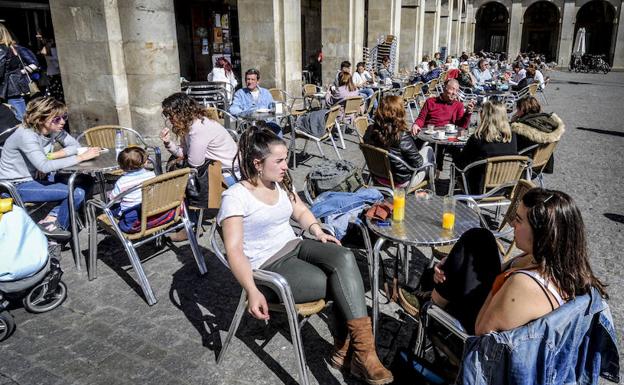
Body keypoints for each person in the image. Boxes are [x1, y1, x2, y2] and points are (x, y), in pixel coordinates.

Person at [217, 126, 394, 385]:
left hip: (295, 245)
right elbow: (233, 250)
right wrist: (252, 290)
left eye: (286, 159)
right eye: (278, 161)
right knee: (336, 282)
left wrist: (316, 230)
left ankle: (362, 353)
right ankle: (354, 354)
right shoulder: (235, 197)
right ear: (257, 163)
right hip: (267, 267)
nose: (285, 166)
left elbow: (300, 211)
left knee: (344, 256)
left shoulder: (278, 183)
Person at [428, 188, 608, 336]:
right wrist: (456, 263)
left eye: (519, 220)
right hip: (505, 311)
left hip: (475, 335)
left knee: (471, 242)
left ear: (543, 234)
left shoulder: (522, 283)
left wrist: (501, 282)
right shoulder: (554, 263)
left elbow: (481, 332)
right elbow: (497, 271)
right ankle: (435, 288)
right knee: (481, 238)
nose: (512, 223)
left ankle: (431, 307)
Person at [0, 97, 100, 237]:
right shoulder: (27, 135)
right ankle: (54, 235)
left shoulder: (52, 129)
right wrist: (81, 157)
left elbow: (75, 146)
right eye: (57, 119)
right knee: (76, 192)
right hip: (16, 185)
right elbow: (45, 166)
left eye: (63, 117)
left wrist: (50, 157)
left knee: (86, 180)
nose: (62, 122)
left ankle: (51, 220)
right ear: (40, 119)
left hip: (38, 176)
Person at [160, 92, 239, 185]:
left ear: (181, 112)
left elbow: (195, 163)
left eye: (170, 115)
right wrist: (168, 143)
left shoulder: (198, 128)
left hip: (226, 175)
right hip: (213, 171)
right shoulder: (190, 125)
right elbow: (183, 152)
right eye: (166, 115)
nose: (169, 119)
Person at [363, 95, 433, 189]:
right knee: (429, 149)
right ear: (399, 113)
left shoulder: (370, 129)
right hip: (401, 181)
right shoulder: (401, 135)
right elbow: (418, 164)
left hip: (378, 176)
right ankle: (432, 187)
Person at [453, 100, 517, 193]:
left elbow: (461, 164)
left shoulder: (478, 138)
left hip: (479, 189)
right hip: (505, 187)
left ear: (485, 116)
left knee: (457, 162)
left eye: (481, 111)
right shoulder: (512, 137)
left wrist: (455, 153)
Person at [411, 79, 475, 171]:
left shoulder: (458, 105)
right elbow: (421, 118)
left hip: (448, 138)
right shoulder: (431, 101)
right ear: (445, 88)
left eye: (457, 90)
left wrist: (468, 113)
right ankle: (431, 172)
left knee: (460, 153)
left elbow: (462, 126)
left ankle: (458, 176)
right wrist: (416, 124)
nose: (454, 93)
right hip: (430, 135)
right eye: (452, 89)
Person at [510, 96, 564, 173]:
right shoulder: (548, 121)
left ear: (522, 110)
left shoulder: (521, 127)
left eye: (517, 109)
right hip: (542, 164)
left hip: (524, 166)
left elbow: (513, 146)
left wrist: (512, 122)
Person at [108, 147, 156, 231]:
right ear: (145, 163)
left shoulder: (121, 182)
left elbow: (113, 200)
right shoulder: (152, 175)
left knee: (111, 207)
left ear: (121, 167)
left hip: (131, 223)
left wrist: (110, 195)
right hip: (152, 215)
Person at [0, 23, 40, 121]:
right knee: (21, 115)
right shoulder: (12, 48)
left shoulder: (3, 49)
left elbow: (0, 72)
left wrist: (20, 72)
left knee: (20, 118)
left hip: (10, 88)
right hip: (16, 87)